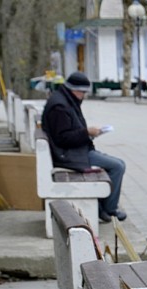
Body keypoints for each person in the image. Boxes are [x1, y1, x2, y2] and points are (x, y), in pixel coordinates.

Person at [41, 71, 127, 222]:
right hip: (68, 154)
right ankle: (109, 209)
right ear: (75, 90)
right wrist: (86, 132)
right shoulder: (60, 107)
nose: (85, 96)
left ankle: (104, 207)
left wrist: (90, 134)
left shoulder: (65, 100)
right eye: (83, 92)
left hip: (75, 150)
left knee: (117, 164)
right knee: (118, 166)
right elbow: (63, 138)